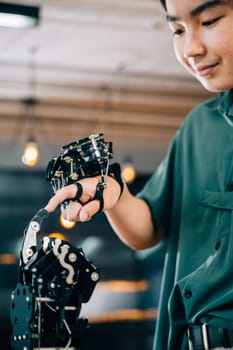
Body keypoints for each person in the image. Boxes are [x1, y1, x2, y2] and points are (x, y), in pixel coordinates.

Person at [45, 0, 233, 349]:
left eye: (208, 21)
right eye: (177, 30)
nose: (190, 48)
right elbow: (148, 228)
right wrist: (114, 194)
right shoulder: (198, 127)